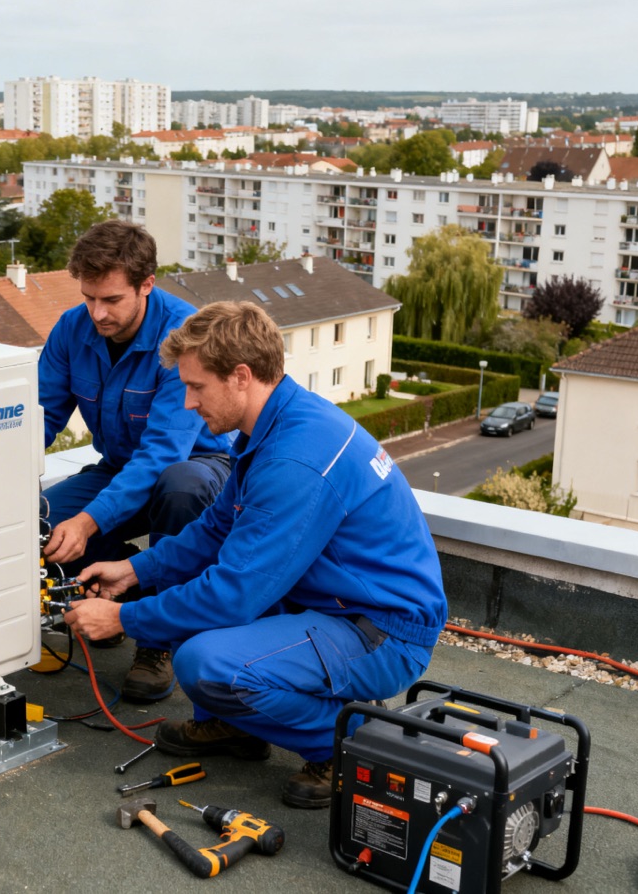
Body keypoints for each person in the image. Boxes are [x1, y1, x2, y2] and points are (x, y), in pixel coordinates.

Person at [64, 301, 447, 808]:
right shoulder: (275, 424)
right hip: (331, 602)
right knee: (188, 619)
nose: (187, 403)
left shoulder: (295, 459)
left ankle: (350, 745)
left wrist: (123, 618)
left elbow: (233, 595)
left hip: (380, 630)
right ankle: (237, 725)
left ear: (241, 376)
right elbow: (216, 529)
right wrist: (134, 570)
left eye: (196, 387)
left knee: (205, 659)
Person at [39, 220, 233, 703]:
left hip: (199, 470)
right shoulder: (71, 329)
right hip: (120, 468)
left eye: (111, 300)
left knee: (178, 485)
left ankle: (158, 643)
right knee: (40, 524)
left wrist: (88, 523)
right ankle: (126, 586)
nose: (97, 313)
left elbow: (161, 454)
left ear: (147, 284)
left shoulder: (182, 336)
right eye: (88, 297)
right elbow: (38, 420)